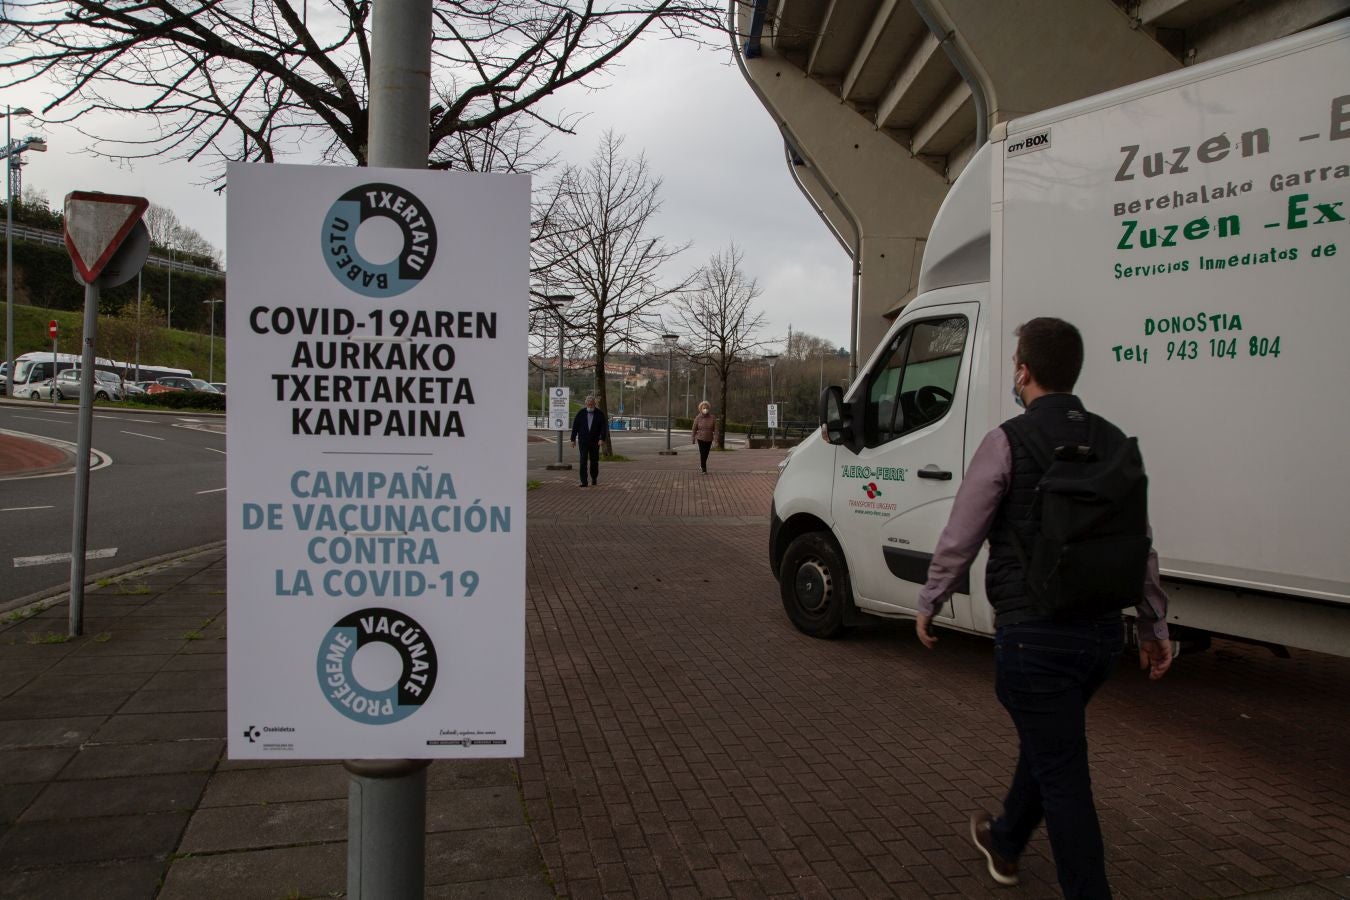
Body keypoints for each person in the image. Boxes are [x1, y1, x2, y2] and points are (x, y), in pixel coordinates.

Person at [914, 317, 1173, 900]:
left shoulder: (1007, 441)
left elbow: (963, 531)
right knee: (1050, 746)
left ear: (1024, 371)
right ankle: (1004, 841)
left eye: (1014, 364)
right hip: (1100, 639)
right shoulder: (1114, 441)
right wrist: (1154, 625)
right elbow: (1142, 546)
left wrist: (932, 597)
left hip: (1035, 640)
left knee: (1064, 777)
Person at [570, 394, 609, 487]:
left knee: (594, 461)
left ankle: (594, 478)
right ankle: (584, 481)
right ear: (586, 404)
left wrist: (602, 438)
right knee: (583, 461)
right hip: (583, 441)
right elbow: (575, 426)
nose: (590, 406)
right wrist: (573, 439)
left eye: (592, 404)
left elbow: (603, 428)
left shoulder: (599, 414)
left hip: (595, 441)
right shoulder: (581, 413)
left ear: (594, 404)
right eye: (588, 404)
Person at [690, 401, 718, 473]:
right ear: (701, 409)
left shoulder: (712, 418)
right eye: (704, 408)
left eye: (707, 408)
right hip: (700, 437)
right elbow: (694, 428)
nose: (705, 409)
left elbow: (716, 429)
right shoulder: (698, 417)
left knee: (706, 453)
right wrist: (693, 438)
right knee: (702, 452)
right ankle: (704, 468)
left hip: (709, 438)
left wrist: (715, 439)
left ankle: (702, 465)